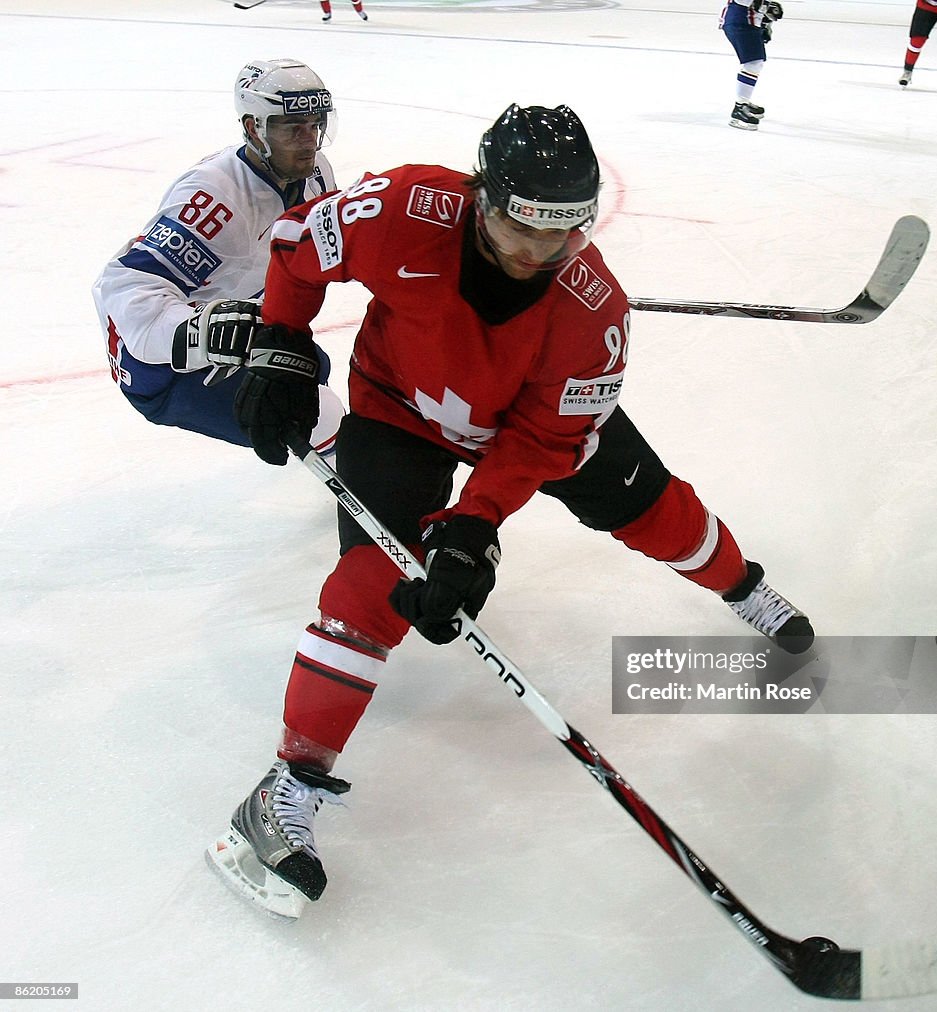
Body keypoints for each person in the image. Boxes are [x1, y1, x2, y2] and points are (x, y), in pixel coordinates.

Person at [205, 103, 815, 918]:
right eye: (518, 230)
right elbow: (296, 248)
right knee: (372, 585)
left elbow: (538, 441)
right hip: (398, 413)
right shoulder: (399, 208)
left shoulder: (593, 312)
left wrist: (474, 526)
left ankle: (744, 587)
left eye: (560, 238)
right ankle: (289, 784)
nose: (535, 257)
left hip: (521, 427)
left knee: (658, 512)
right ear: (481, 197)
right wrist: (281, 345)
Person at [92, 59, 344, 455]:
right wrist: (198, 332)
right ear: (253, 128)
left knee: (314, 367)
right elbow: (127, 286)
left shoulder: (315, 174)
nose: (308, 139)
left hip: (237, 329)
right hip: (160, 367)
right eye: (291, 127)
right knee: (314, 411)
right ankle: (355, 485)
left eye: (315, 124)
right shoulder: (213, 201)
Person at [720, 0, 784, 130]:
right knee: (753, 63)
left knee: (755, 63)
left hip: (746, 21)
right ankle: (740, 107)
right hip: (741, 21)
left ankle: (743, 102)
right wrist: (764, 7)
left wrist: (765, 22)